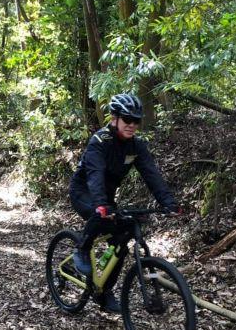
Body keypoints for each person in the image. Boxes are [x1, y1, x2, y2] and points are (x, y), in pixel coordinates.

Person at [69, 93, 180, 312]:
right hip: (84, 191)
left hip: (106, 196)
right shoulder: (99, 142)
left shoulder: (136, 146)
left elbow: (151, 174)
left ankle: (103, 292)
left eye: (136, 121)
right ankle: (82, 249)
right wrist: (101, 203)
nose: (132, 125)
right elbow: (95, 174)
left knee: (120, 242)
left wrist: (169, 202)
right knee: (98, 214)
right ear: (114, 118)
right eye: (127, 119)